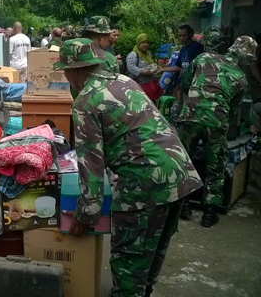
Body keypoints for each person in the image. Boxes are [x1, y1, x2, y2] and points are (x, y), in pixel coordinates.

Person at [54, 38, 202, 297]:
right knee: (151, 253)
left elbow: (91, 164)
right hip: (179, 172)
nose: (66, 78)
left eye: (65, 72)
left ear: (75, 70)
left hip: (143, 184)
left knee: (129, 266)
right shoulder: (124, 81)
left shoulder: (86, 101)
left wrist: (86, 216)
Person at [178, 36, 258, 227]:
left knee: (184, 162)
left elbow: (185, 83)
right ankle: (209, 213)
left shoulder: (203, 58)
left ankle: (183, 206)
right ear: (246, 57)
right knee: (215, 168)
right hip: (215, 123)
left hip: (189, 117)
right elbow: (233, 108)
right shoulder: (241, 77)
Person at [158, 25, 204, 94]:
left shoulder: (196, 47)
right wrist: (162, 69)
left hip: (194, 84)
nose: (182, 38)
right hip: (183, 83)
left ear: (190, 34)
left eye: (184, 35)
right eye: (180, 36)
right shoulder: (183, 49)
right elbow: (179, 67)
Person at [126, 34, 163, 101]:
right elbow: (130, 67)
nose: (145, 44)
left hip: (150, 84)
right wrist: (141, 71)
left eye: (147, 42)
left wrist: (157, 68)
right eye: (143, 42)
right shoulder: (133, 54)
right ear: (138, 43)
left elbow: (151, 64)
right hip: (139, 86)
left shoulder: (147, 54)